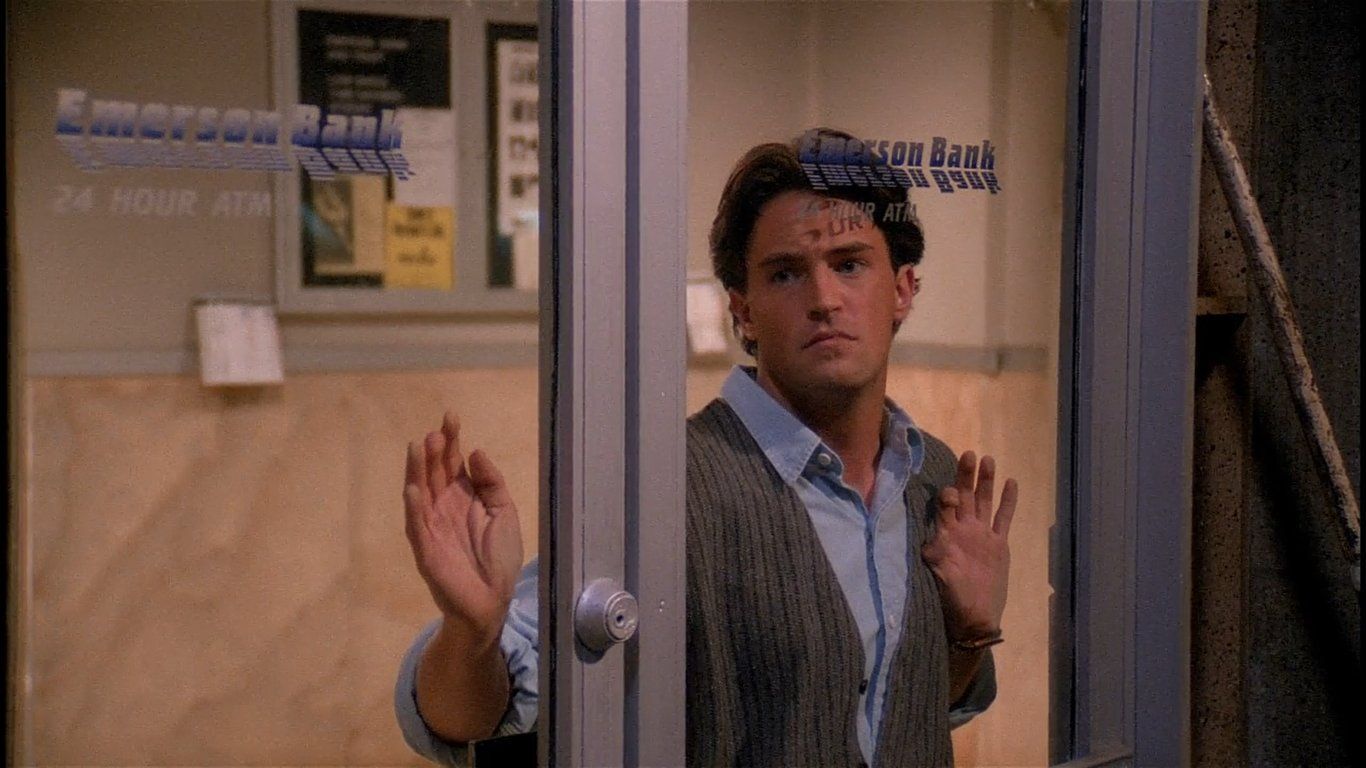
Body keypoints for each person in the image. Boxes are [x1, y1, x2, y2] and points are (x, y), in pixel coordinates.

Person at [395, 128, 1018, 767]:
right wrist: (473, 633)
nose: (824, 299)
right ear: (743, 312)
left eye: (849, 265)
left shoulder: (933, 477)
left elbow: (909, 708)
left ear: (903, 289)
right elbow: (458, 719)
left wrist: (968, 635)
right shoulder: (669, 484)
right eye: (786, 274)